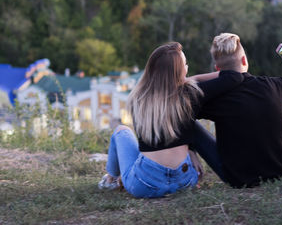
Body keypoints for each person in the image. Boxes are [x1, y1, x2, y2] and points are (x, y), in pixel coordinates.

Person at [98, 42, 243, 198]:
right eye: (185, 65)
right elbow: (235, 76)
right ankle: (115, 179)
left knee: (122, 131)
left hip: (144, 185)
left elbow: (153, 140)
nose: (187, 67)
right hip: (185, 182)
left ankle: (111, 179)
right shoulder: (189, 94)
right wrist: (192, 79)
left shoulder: (138, 98)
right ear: (178, 72)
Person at [195, 33, 282, 188]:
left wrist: (195, 78)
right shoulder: (273, 85)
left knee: (190, 125)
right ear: (244, 61)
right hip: (280, 174)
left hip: (238, 180)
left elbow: (183, 116)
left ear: (217, 69)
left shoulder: (215, 98)